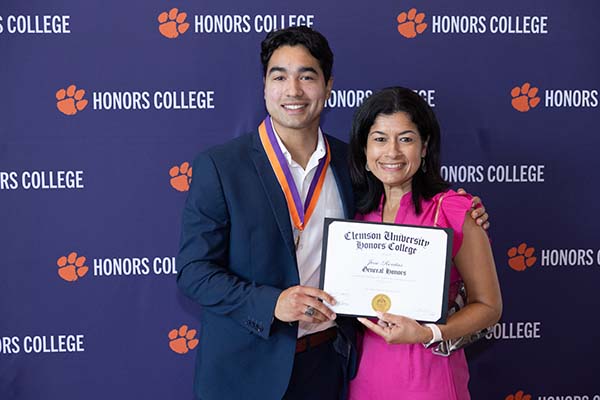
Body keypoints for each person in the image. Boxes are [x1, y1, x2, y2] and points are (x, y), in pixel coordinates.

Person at [176, 27, 490, 400]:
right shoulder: (220, 166)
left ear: (328, 87)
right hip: (244, 370)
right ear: (264, 86)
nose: (293, 91)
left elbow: (406, 203)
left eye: (307, 77)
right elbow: (193, 272)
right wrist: (272, 303)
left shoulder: (355, 166)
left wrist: (464, 210)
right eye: (280, 76)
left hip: (328, 367)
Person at [346, 87, 502, 400]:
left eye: (405, 138)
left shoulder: (455, 210)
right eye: (379, 139)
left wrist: (429, 333)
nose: (392, 152)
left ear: (424, 146)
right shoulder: (353, 214)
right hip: (364, 381)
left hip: (431, 380)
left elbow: (489, 307)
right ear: (364, 149)